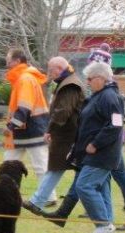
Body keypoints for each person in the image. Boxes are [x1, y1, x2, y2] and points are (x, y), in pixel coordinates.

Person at [64, 61, 124, 233]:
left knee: (84, 186)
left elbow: (115, 125)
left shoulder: (110, 97)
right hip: (92, 153)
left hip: (102, 154)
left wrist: (96, 144)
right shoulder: (99, 96)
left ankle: (103, 225)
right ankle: (106, 229)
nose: (87, 82)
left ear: (101, 78)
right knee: (100, 188)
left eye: (90, 79)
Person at [22, 57, 85, 214]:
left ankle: (38, 201)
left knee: (83, 174)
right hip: (69, 134)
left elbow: (63, 111)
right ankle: (38, 201)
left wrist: (50, 129)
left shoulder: (69, 85)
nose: (49, 73)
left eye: (51, 70)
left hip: (68, 135)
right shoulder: (69, 82)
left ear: (59, 68)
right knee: (63, 169)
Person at [2, 48, 50, 184]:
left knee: (39, 166)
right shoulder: (24, 78)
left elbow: (24, 107)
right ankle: (7, 193)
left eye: (8, 62)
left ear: (17, 61)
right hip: (27, 130)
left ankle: (46, 196)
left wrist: (11, 126)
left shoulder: (24, 79)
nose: (7, 65)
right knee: (9, 165)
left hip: (30, 130)